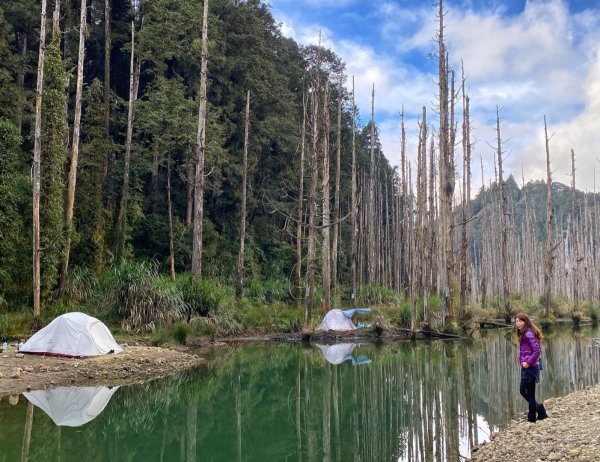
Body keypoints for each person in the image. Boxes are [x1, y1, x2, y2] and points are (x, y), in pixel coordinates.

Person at [515, 312, 548, 423]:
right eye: (516, 321)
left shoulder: (528, 333)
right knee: (522, 390)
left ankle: (532, 418)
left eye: (520, 321)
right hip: (526, 367)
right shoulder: (524, 333)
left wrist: (528, 363)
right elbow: (525, 350)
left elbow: (537, 350)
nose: (518, 324)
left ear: (525, 322)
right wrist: (522, 361)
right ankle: (540, 409)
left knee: (530, 394)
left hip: (531, 368)